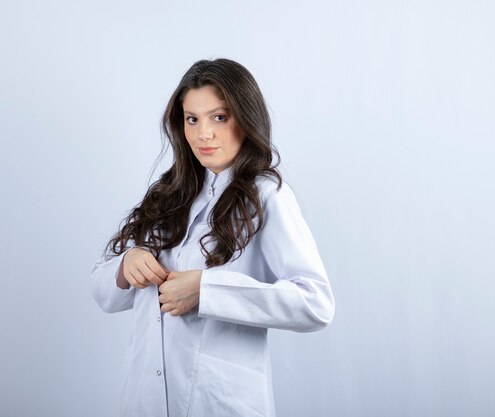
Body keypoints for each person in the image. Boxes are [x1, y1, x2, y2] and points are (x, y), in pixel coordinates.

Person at [90, 58, 335, 417]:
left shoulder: (266, 195)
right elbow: (104, 295)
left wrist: (207, 290)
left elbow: (315, 303)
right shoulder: (169, 194)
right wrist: (126, 266)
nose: (203, 133)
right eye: (193, 119)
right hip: (145, 401)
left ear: (246, 118)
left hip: (219, 404)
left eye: (219, 117)